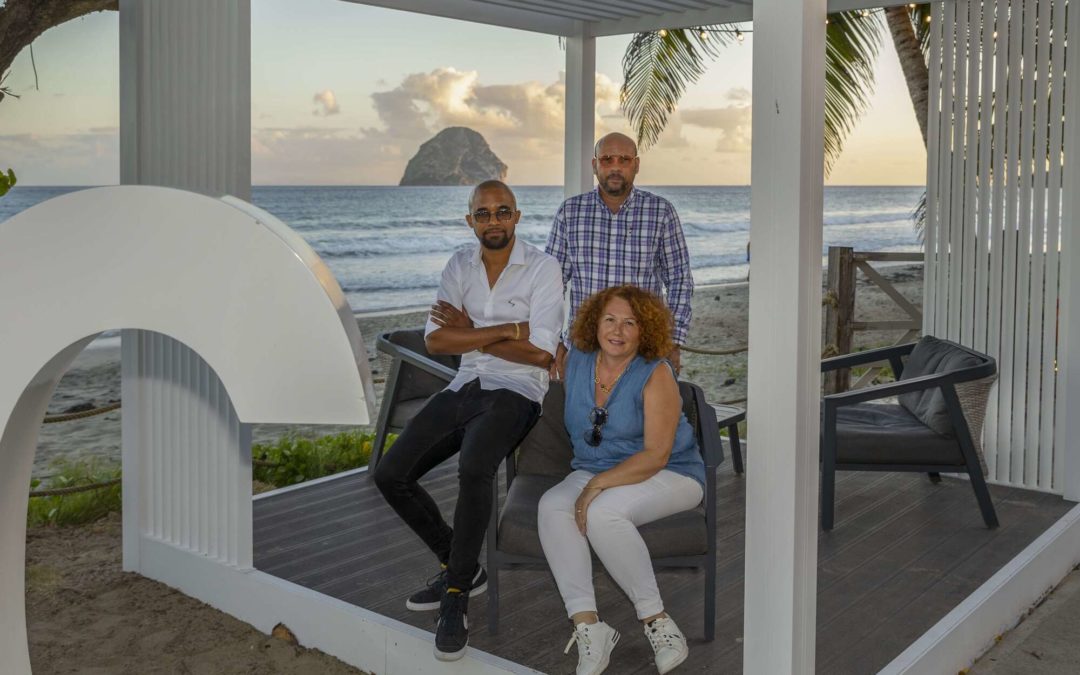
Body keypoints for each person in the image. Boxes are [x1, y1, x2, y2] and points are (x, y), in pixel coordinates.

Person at [373, 180, 563, 662]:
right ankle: (459, 562)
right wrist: (503, 330)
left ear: (517, 216)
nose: (493, 220)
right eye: (483, 213)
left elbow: (541, 353)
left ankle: (456, 593)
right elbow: (436, 342)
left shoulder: (543, 269)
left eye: (502, 212)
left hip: (518, 391)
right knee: (390, 474)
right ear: (470, 220)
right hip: (465, 386)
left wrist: (469, 330)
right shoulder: (459, 264)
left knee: (475, 467)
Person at [537, 285, 705, 675]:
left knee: (603, 513)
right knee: (551, 507)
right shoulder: (576, 359)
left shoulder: (655, 372)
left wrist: (595, 487)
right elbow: (531, 339)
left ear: (643, 330)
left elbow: (656, 455)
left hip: (671, 472)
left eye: (630, 322)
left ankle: (657, 622)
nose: (618, 330)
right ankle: (589, 628)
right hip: (595, 468)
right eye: (610, 319)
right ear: (594, 324)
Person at [545, 132, 694, 379]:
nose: (615, 167)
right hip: (584, 349)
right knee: (580, 418)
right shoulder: (570, 213)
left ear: (636, 165)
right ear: (594, 165)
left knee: (641, 417)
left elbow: (680, 280)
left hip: (643, 351)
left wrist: (673, 340)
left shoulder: (661, 212)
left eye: (624, 160)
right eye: (607, 160)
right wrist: (552, 341)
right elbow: (550, 284)